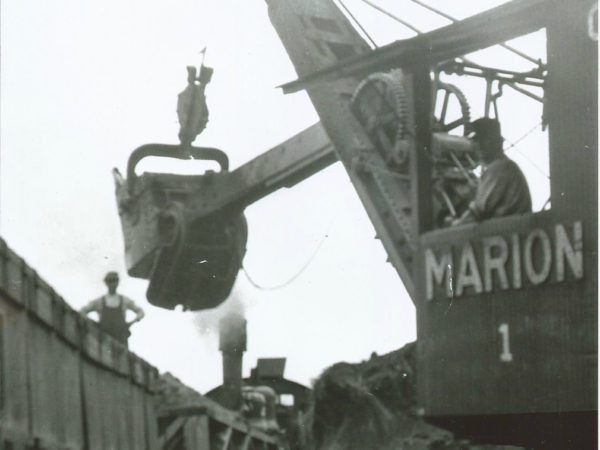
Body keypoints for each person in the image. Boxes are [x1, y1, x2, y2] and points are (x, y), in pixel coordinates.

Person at [452, 118, 532, 225]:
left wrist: (454, 224)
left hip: (508, 233)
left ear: (497, 142)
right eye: (475, 141)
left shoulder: (500, 168)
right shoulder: (507, 166)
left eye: (482, 140)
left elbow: (477, 212)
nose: (477, 145)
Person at [80, 271, 145, 344]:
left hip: (121, 339)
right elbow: (83, 311)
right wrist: (93, 324)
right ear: (106, 283)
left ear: (118, 282)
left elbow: (141, 312)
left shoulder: (124, 300)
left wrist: (131, 323)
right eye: (110, 281)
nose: (112, 284)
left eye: (114, 281)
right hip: (104, 339)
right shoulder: (99, 301)